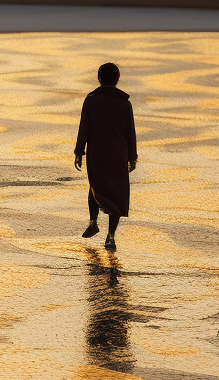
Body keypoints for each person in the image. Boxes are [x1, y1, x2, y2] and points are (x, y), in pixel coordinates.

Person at [75, 62, 137, 251]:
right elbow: (130, 133)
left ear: (100, 79)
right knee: (116, 193)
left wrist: (79, 151)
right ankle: (110, 236)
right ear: (117, 80)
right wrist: (132, 156)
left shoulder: (91, 100)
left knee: (96, 186)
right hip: (118, 154)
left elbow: (84, 127)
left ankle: (93, 221)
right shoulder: (124, 103)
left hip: (98, 153)